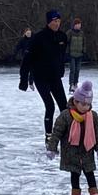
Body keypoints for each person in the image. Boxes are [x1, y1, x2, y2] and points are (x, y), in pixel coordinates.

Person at [46, 81, 98, 195]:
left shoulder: (92, 116)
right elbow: (56, 133)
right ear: (76, 102)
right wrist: (52, 148)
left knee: (90, 173)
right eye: (83, 104)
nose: (86, 107)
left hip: (87, 151)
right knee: (75, 174)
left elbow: (96, 132)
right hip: (71, 152)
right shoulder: (66, 116)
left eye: (88, 104)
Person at [19, 9, 69, 143]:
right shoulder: (38, 38)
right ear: (48, 22)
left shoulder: (62, 37)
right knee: (50, 106)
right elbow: (27, 60)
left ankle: (66, 135)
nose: (57, 23)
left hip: (54, 77)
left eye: (59, 21)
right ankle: (49, 137)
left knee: (64, 107)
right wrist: (24, 80)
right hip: (40, 77)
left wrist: (61, 69)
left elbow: (61, 56)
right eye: (54, 21)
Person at [66, 18, 86, 93]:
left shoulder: (82, 33)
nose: (78, 26)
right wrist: (67, 52)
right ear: (74, 25)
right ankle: (71, 84)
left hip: (79, 54)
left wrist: (84, 51)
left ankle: (75, 83)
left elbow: (84, 42)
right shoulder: (70, 33)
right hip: (72, 55)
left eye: (79, 25)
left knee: (77, 70)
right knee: (73, 70)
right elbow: (66, 42)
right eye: (77, 25)